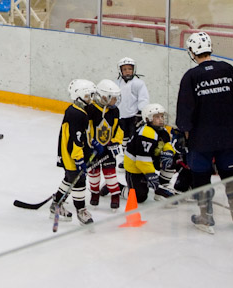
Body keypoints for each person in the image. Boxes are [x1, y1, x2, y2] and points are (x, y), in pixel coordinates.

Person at [176, 31, 233, 233]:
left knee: (201, 178)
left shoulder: (191, 76)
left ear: (192, 51)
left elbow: (185, 113)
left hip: (201, 140)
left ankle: (206, 217)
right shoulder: (229, 70)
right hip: (228, 137)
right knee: (230, 175)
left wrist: (183, 135)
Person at [51, 79, 96, 225]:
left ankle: (56, 205)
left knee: (69, 179)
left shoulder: (80, 111)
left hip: (74, 153)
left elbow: (83, 135)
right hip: (72, 155)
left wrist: (92, 143)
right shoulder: (76, 114)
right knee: (79, 182)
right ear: (79, 96)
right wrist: (79, 159)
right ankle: (81, 210)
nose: (91, 99)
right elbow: (75, 140)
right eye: (88, 96)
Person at [123, 103, 176, 206]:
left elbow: (166, 143)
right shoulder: (146, 134)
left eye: (161, 116)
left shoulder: (163, 130)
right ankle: (121, 188)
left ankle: (163, 186)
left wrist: (169, 152)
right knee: (140, 197)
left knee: (171, 159)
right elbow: (142, 160)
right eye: (157, 117)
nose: (161, 119)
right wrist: (151, 175)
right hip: (134, 167)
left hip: (149, 161)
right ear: (148, 119)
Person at [87, 80, 124, 210]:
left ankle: (115, 195)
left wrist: (115, 142)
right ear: (103, 97)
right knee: (93, 174)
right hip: (94, 150)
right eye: (112, 97)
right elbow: (88, 129)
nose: (115, 100)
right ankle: (94, 193)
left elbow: (119, 128)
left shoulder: (115, 111)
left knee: (110, 174)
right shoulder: (91, 109)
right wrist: (92, 143)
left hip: (108, 149)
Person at [116, 57, 149, 151]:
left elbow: (143, 98)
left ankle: (131, 154)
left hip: (133, 117)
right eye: (124, 69)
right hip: (120, 116)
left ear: (134, 70)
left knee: (133, 137)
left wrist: (140, 113)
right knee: (122, 137)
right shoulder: (117, 83)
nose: (127, 72)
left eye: (130, 69)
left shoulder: (139, 83)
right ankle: (122, 155)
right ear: (120, 71)